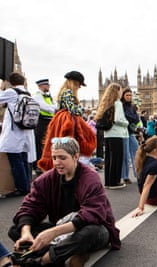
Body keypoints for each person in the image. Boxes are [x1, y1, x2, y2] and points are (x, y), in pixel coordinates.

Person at [8, 137, 120, 267]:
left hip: (92, 228)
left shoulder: (90, 178)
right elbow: (31, 206)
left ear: (76, 156)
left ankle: (41, 260)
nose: (57, 162)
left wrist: (53, 232)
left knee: (89, 233)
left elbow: (92, 215)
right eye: (54, 158)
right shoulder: (46, 179)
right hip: (61, 228)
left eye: (62, 158)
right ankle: (65, 253)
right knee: (16, 229)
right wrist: (26, 233)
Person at [38, 71, 96, 171]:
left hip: (62, 119)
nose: (79, 87)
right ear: (74, 82)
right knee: (70, 143)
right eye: (79, 84)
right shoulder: (68, 92)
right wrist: (85, 110)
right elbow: (73, 109)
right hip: (67, 120)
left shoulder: (63, 92)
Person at [0, 72, 35, 196]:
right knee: (24, 160)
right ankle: (26, 185)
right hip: (25, 131)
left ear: (10, 82)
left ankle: (22, 188)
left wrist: (2, 87)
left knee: (16, 162)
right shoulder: (27, 93)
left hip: (14, 132)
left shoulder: (11, 92)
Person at [95, 83, 128, 189]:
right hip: (116, 134)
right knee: (117, 158)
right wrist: (126, 123)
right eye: (121, 90)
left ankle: (108, 182)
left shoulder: (107, 103)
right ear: (117, 91)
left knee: (109, 159)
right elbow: (118, 119)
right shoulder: (118, 103)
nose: (122, 92)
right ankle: (115, 182)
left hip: (107, 134)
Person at [32, 79, 57, 175]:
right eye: (47, 85)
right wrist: (52, 109)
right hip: (41, 121)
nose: (49, 87)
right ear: (42, 85)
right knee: (40, 143)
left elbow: (56, 106)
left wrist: (52, 108)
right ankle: (38, 165)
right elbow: (45, 107)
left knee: (49, 143)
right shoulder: (37, 96)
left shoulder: (49, 96)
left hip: (50, 121)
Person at [121, 88, 140, 184]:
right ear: (123, 96)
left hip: (131, 132)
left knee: (137, 152)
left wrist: (131, 118)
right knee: (125, 155)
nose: (129, 97)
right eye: (127, 95)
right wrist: (132, 118)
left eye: (130, 95)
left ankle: (138, 174)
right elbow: (126, 116)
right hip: (124, 132)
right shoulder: (121, 106)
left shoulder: (132, 107)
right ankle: (125, 176)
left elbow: (136, 119)